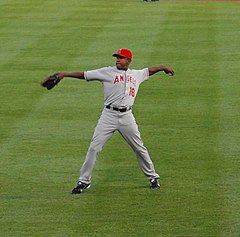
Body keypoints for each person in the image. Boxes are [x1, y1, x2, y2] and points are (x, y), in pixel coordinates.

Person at [54, 48, 174, 194]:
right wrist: (64, 74)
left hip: (127, 116)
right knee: (94, 147)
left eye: (121, 57)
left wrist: (162, 68)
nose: (118, 59)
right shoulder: (106, 72)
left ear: (129, 61)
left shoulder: (136, 74)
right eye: (117, 57)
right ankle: (84, 181)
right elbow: (85, 74)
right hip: (108, 116)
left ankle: (153, 177)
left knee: (139, 147)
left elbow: (149, 71)